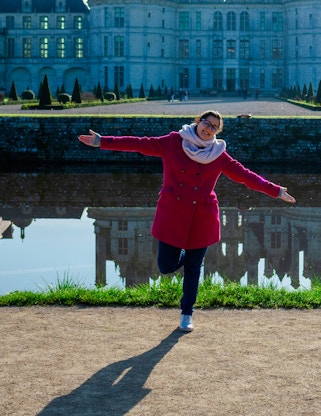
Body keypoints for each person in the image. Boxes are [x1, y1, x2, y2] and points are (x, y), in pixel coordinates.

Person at [78, 110, 296, 333]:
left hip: (202, 216)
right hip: (173, 213)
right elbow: (140, 144)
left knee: (193, 269)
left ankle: (186, 314)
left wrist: (275, 191)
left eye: (214, 127)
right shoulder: (174, 141)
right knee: (166, 265)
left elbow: (246, 176)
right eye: (206, 123)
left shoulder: (218, 154)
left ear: (216, 132)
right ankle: (186, 262)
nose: (208, 128)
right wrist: (102, 141)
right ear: (198, 122)